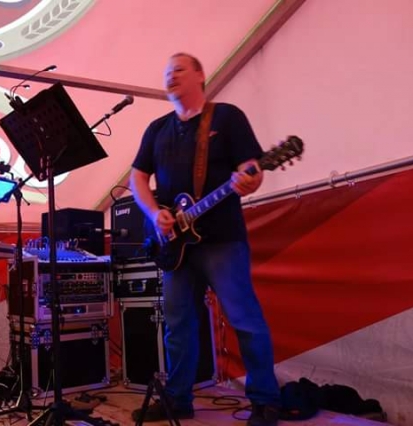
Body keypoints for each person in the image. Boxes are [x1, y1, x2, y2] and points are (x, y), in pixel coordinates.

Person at [129, 52, 281, 426]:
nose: (171, 76)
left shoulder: (226, 117)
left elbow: (250, 169)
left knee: (244, 319)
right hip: (175, 246)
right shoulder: (157, 129)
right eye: (167, 72)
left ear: (200, 75)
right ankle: (178, 400)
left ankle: (265, 401)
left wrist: (249, 179)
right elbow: (137, 178)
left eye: (179, 69)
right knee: (177, 326)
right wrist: (155, 214)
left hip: (222, 239)